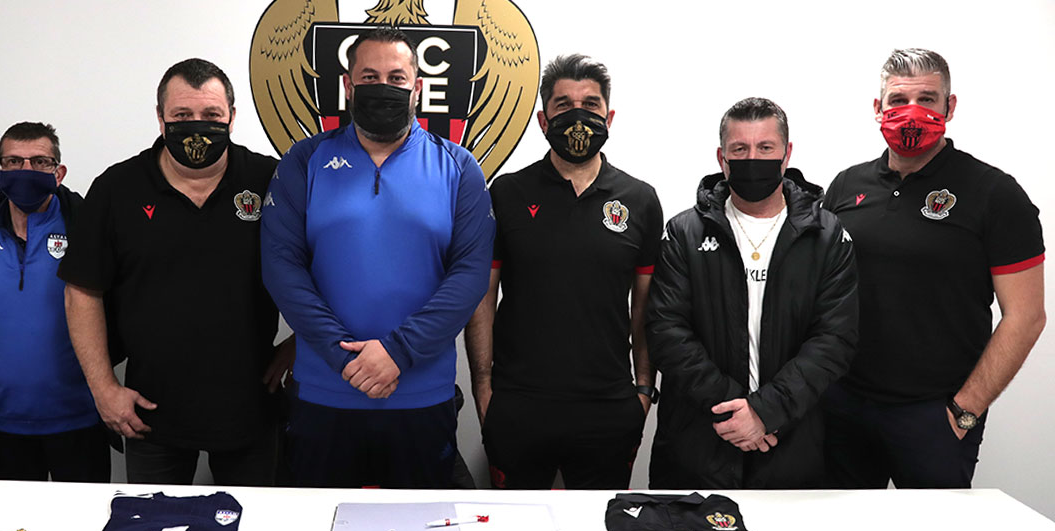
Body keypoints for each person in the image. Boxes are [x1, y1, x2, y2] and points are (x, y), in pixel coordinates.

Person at [261, 27, 495, 489]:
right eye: (369, 77)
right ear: (348, 86)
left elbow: (469, 275)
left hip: (421, 398)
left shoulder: (459, 167)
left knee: (422, 530)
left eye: (396, 77)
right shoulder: (303, 161)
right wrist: (344, 358)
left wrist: (398, 353)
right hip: (323, 394)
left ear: (417, 87)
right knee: (316, 530)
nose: (383, 87)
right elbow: (281, 268)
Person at [822, 49, 1045, 489]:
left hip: (933, 417)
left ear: (950, 106)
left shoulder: (995, 194)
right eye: (898, 100)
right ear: (878, 108)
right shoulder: (846, 186)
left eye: (927, 99)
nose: (912, 112)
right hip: (843, 406)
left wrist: (964, 411)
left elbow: (1026, 316)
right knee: (842, 530)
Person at [60, 59, 290, 485]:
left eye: (211, 115)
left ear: (232, 117)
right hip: (150, 411)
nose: (197, 127)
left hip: (251, 407)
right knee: (152, 525)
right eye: (182, 116)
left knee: (255, 523)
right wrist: (103, 388)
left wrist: (300, 345)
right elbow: (81, 292)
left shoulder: (271, 180)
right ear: (160, 118)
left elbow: (326, 267)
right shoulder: (117, 187)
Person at [464, 54, 662, 490]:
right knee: (515, 528)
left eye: (590, 105)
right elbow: (482, 297)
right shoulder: (507, 192)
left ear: (609, 117)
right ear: (543, 120)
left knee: (602, 527)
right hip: (518, 404)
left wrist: (644, 390)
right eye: (563, 105)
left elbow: (645, 308)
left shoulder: (640, 200)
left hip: (609, 406)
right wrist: (483, 387)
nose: (578, 115)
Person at [647, 97, 858, 489]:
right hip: (698, 444)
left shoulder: (827, 236)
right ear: (722, 158)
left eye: (765, 148)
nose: (752, 158)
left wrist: (766, 412)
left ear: (786, 154)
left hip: (791, 444)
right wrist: (739, 413)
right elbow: (666, 331)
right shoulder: (684, 233)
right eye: (740, 149)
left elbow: (834, 339)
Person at [0, 122, 110, 482]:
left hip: (80, 418)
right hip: (4, 424)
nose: (26, 171)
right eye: (14, 162)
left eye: (40, 162)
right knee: (19, 519)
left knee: (82, 516)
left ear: (59, 172)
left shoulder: (87, 227)